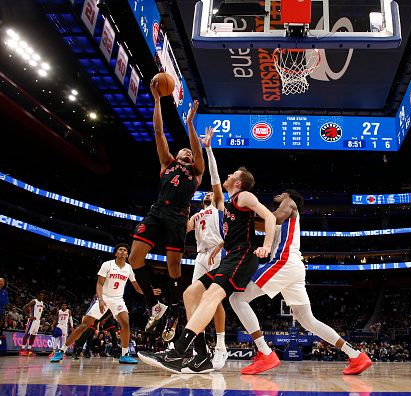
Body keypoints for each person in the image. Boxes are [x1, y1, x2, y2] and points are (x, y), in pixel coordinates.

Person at [139, 165, 277, 374]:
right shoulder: (229, 204)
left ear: (238, 183)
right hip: (230, 256)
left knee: (210, 296)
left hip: (243, 257)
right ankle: (202, 356)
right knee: (190, 293)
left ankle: (176, 353)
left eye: (232, 174)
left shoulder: (244, 196)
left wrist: (266, 246)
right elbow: (239, 228)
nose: (228, 175)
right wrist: (222, 245)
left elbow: (270, 217)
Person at [229, 190, 373, 375]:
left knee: (237, 299)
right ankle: (355, 355)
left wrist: (248, 210)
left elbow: (273, 218)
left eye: (281, 193)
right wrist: (241, 220)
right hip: (293, 267)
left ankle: (265, 352)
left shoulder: (289, 203)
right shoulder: (280, 219)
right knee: (307, 320)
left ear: (289, 195)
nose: (278, 195)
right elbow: (264, 225)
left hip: (284, 262)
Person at [129, 77, 205, 332]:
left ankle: (174, 310)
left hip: (178, 216)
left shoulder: (196, 172)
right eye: (183, 150)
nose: (187, 152)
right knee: (134, 257)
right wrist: (157, 100)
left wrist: (191, 124)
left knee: (173, 266)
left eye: (190, 152)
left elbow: (197, 150)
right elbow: (159, 132)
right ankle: (155, 304)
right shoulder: (167, 163)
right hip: (157, 211)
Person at [182, 127, 228, 369]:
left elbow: (215, 177)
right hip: (200, 258)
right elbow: (185, 228)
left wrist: (208, 149)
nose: (211, 192)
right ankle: (198, 348)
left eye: (212, 191)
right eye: (208, 193)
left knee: (215, 300)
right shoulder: (197, 213)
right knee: (192, 299)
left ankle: (221, 345)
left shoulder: (219, 206)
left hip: (218, 255)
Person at [51, 243, 142, 364]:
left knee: (126, 324)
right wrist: (100, 299)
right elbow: (99, 284)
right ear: (116, 253)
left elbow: (136, 286)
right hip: (104, 297)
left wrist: (149, 292)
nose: (122, 251)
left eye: (125, 250)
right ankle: (61, 351)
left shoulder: (128, 268)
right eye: (120, 249)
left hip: (118, 300)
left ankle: (124, 354)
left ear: (127, 255)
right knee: (84, 325)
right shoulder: (107, 264)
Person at [19, 290, 45, 356]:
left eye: (43, 295)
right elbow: (24, 308)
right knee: (27, 334)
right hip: (32, 321)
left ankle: (29, 350)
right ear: (38, 295)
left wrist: (40, 318)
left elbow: (40, 312)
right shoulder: (34, 301)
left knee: (33, 335)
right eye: (41, 295)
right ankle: (22, 350)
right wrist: (29, 316)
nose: (42, 296)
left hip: (37, 321)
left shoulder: (42, 303)